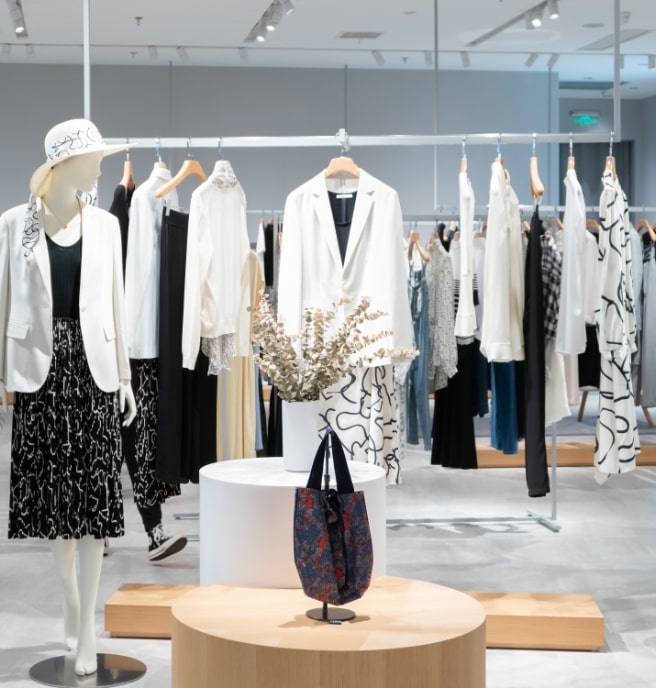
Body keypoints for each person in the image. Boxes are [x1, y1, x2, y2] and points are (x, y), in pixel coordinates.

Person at [0, 118, 136, 676]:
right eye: (94, 159)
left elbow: (116, 304)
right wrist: (2, 377)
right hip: (41, 373)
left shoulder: (106, 226)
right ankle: (73, 607)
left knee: (94, 503)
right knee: (56, 504)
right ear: (64, 164)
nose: (101, 168)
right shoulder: (15, 224)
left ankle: (88, 629)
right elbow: (3, 299)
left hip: (94, 370)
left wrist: (124, 377)